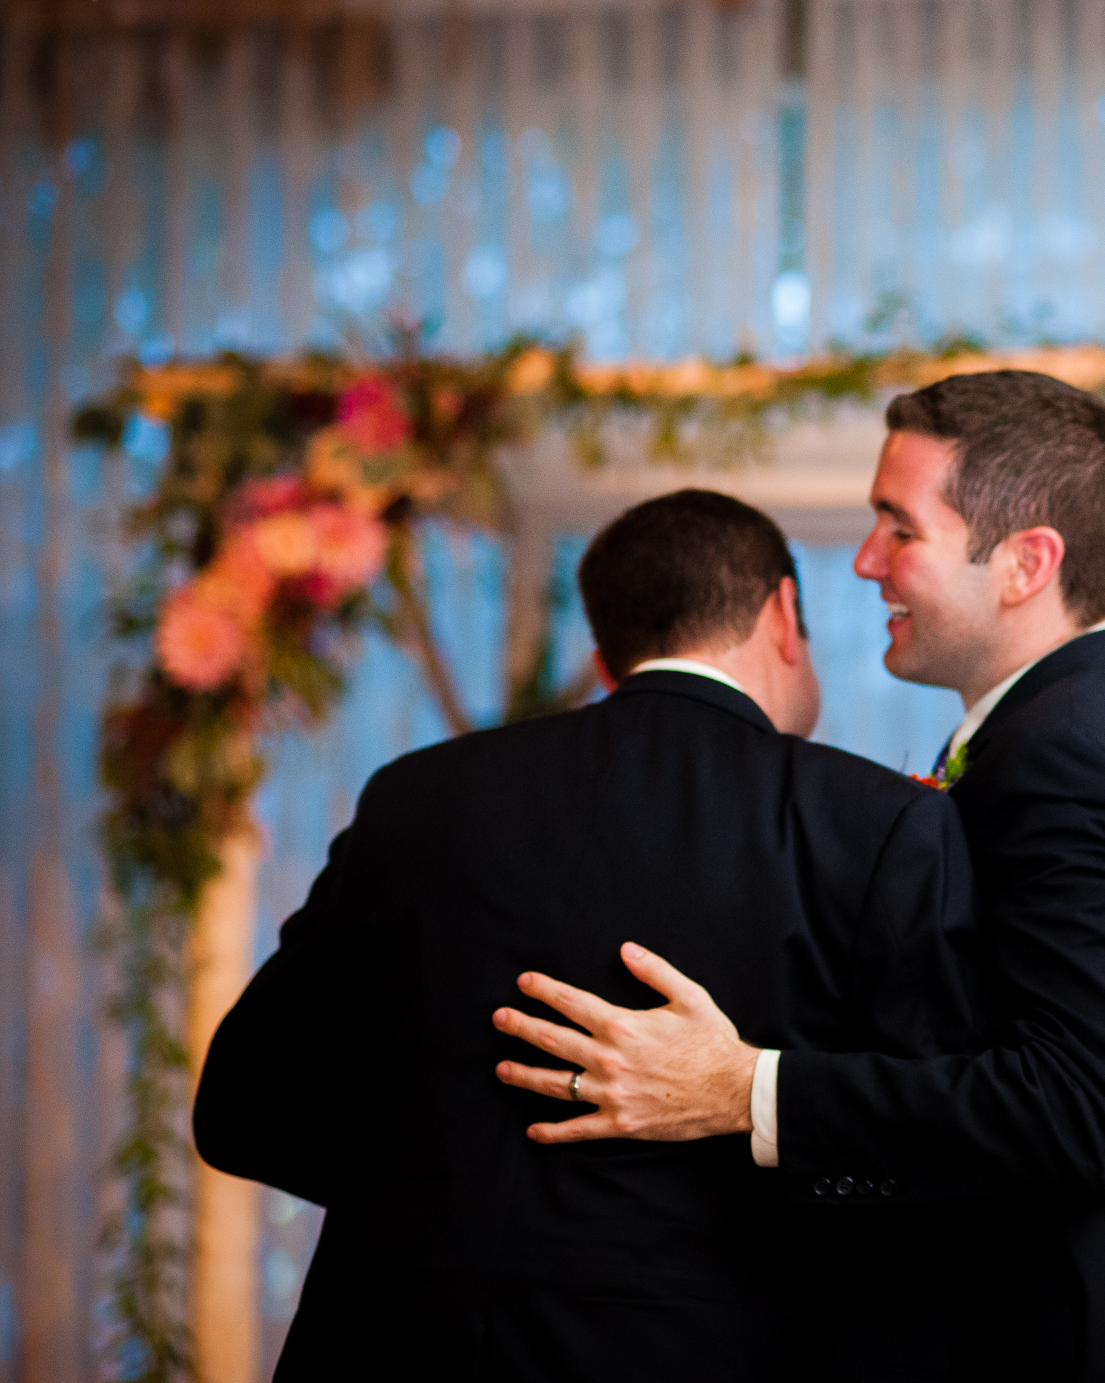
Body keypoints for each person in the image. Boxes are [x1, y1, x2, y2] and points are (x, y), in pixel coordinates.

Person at [494, 371, 1105, 1382]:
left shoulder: (1066, 753)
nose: (864, 561)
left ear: (1024, 562)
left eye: (897, 528)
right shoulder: (1097, 717)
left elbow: (1089, 1107)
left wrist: (744, 1087)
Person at [194, 490, 995, 1380]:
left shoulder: (418, 794)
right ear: (781, 613)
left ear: (605, 650)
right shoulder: (875, 825)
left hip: (388, 1338)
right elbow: (940, 1150)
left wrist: (424, 1192)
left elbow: (242, 1104)